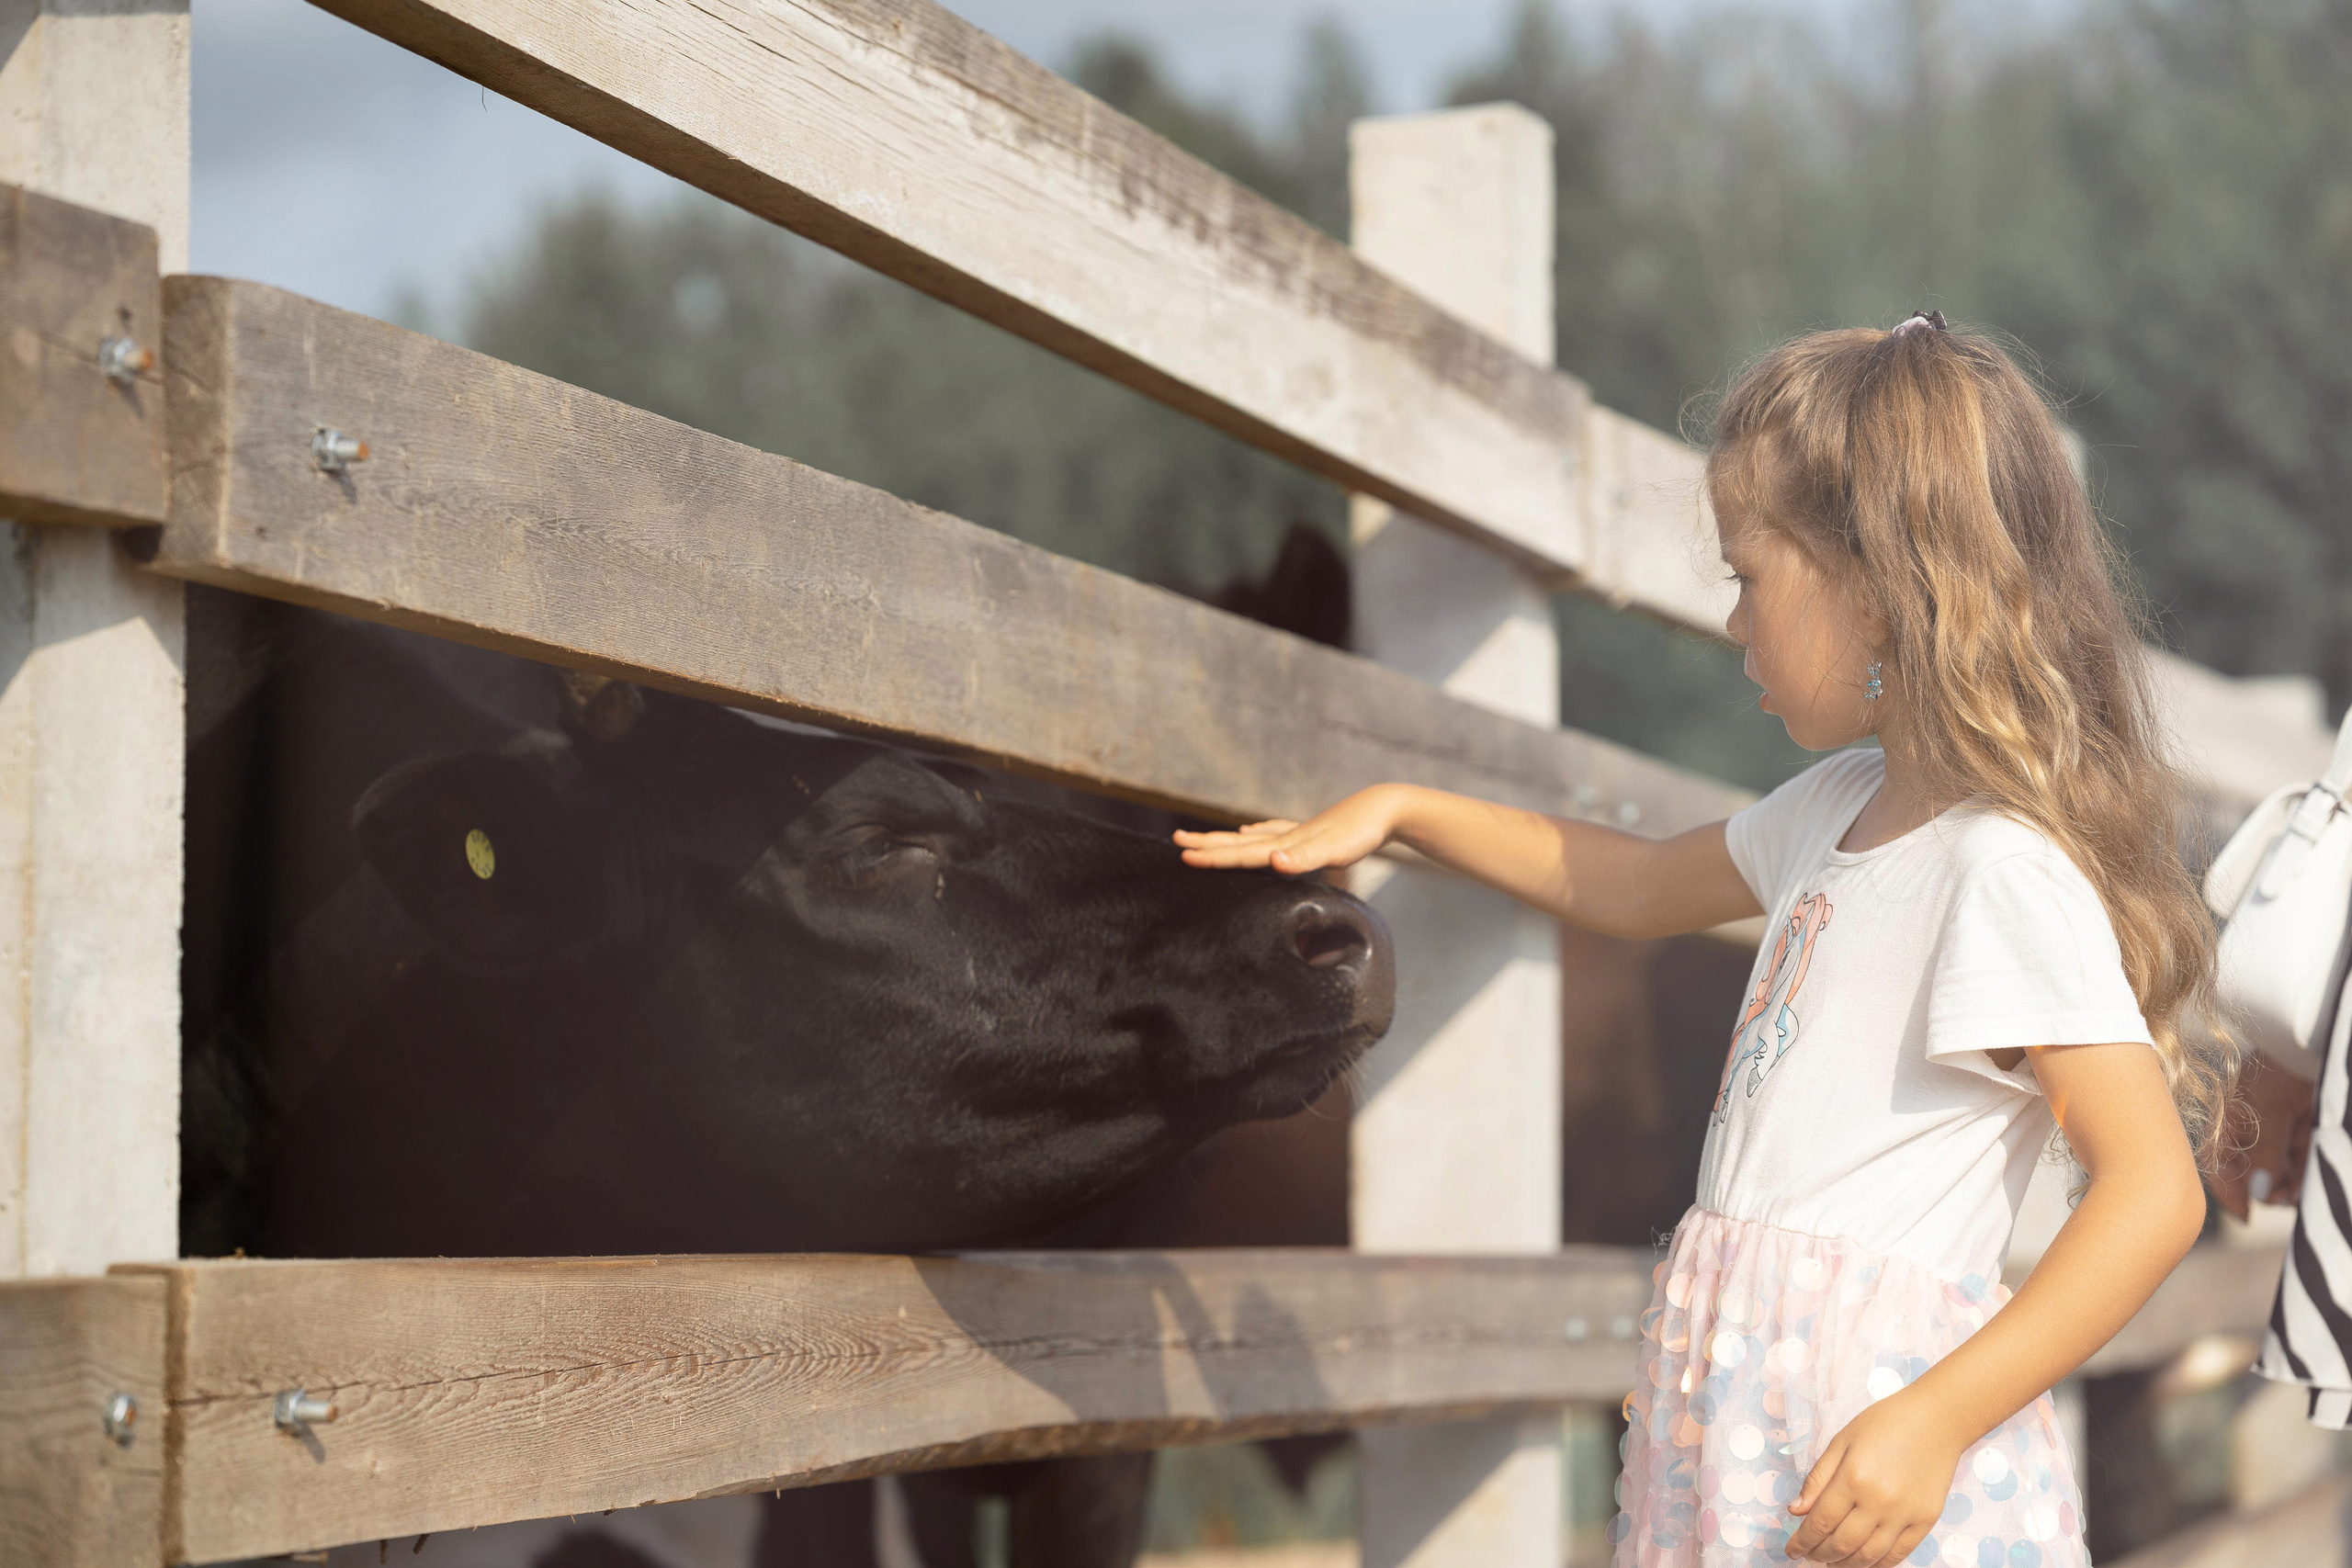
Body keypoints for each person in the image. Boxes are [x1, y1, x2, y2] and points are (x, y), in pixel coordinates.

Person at [1176, 312, 2230, 1568]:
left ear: (1880, 588)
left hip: (1875, 1454)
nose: (1734, 622)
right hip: (1748, 1427)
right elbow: (1621, 883)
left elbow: (2153, 1192)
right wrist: (1410, 814)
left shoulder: (1998, 869)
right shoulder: (1831, 814)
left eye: (1748, 576)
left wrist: (1938, 1419)